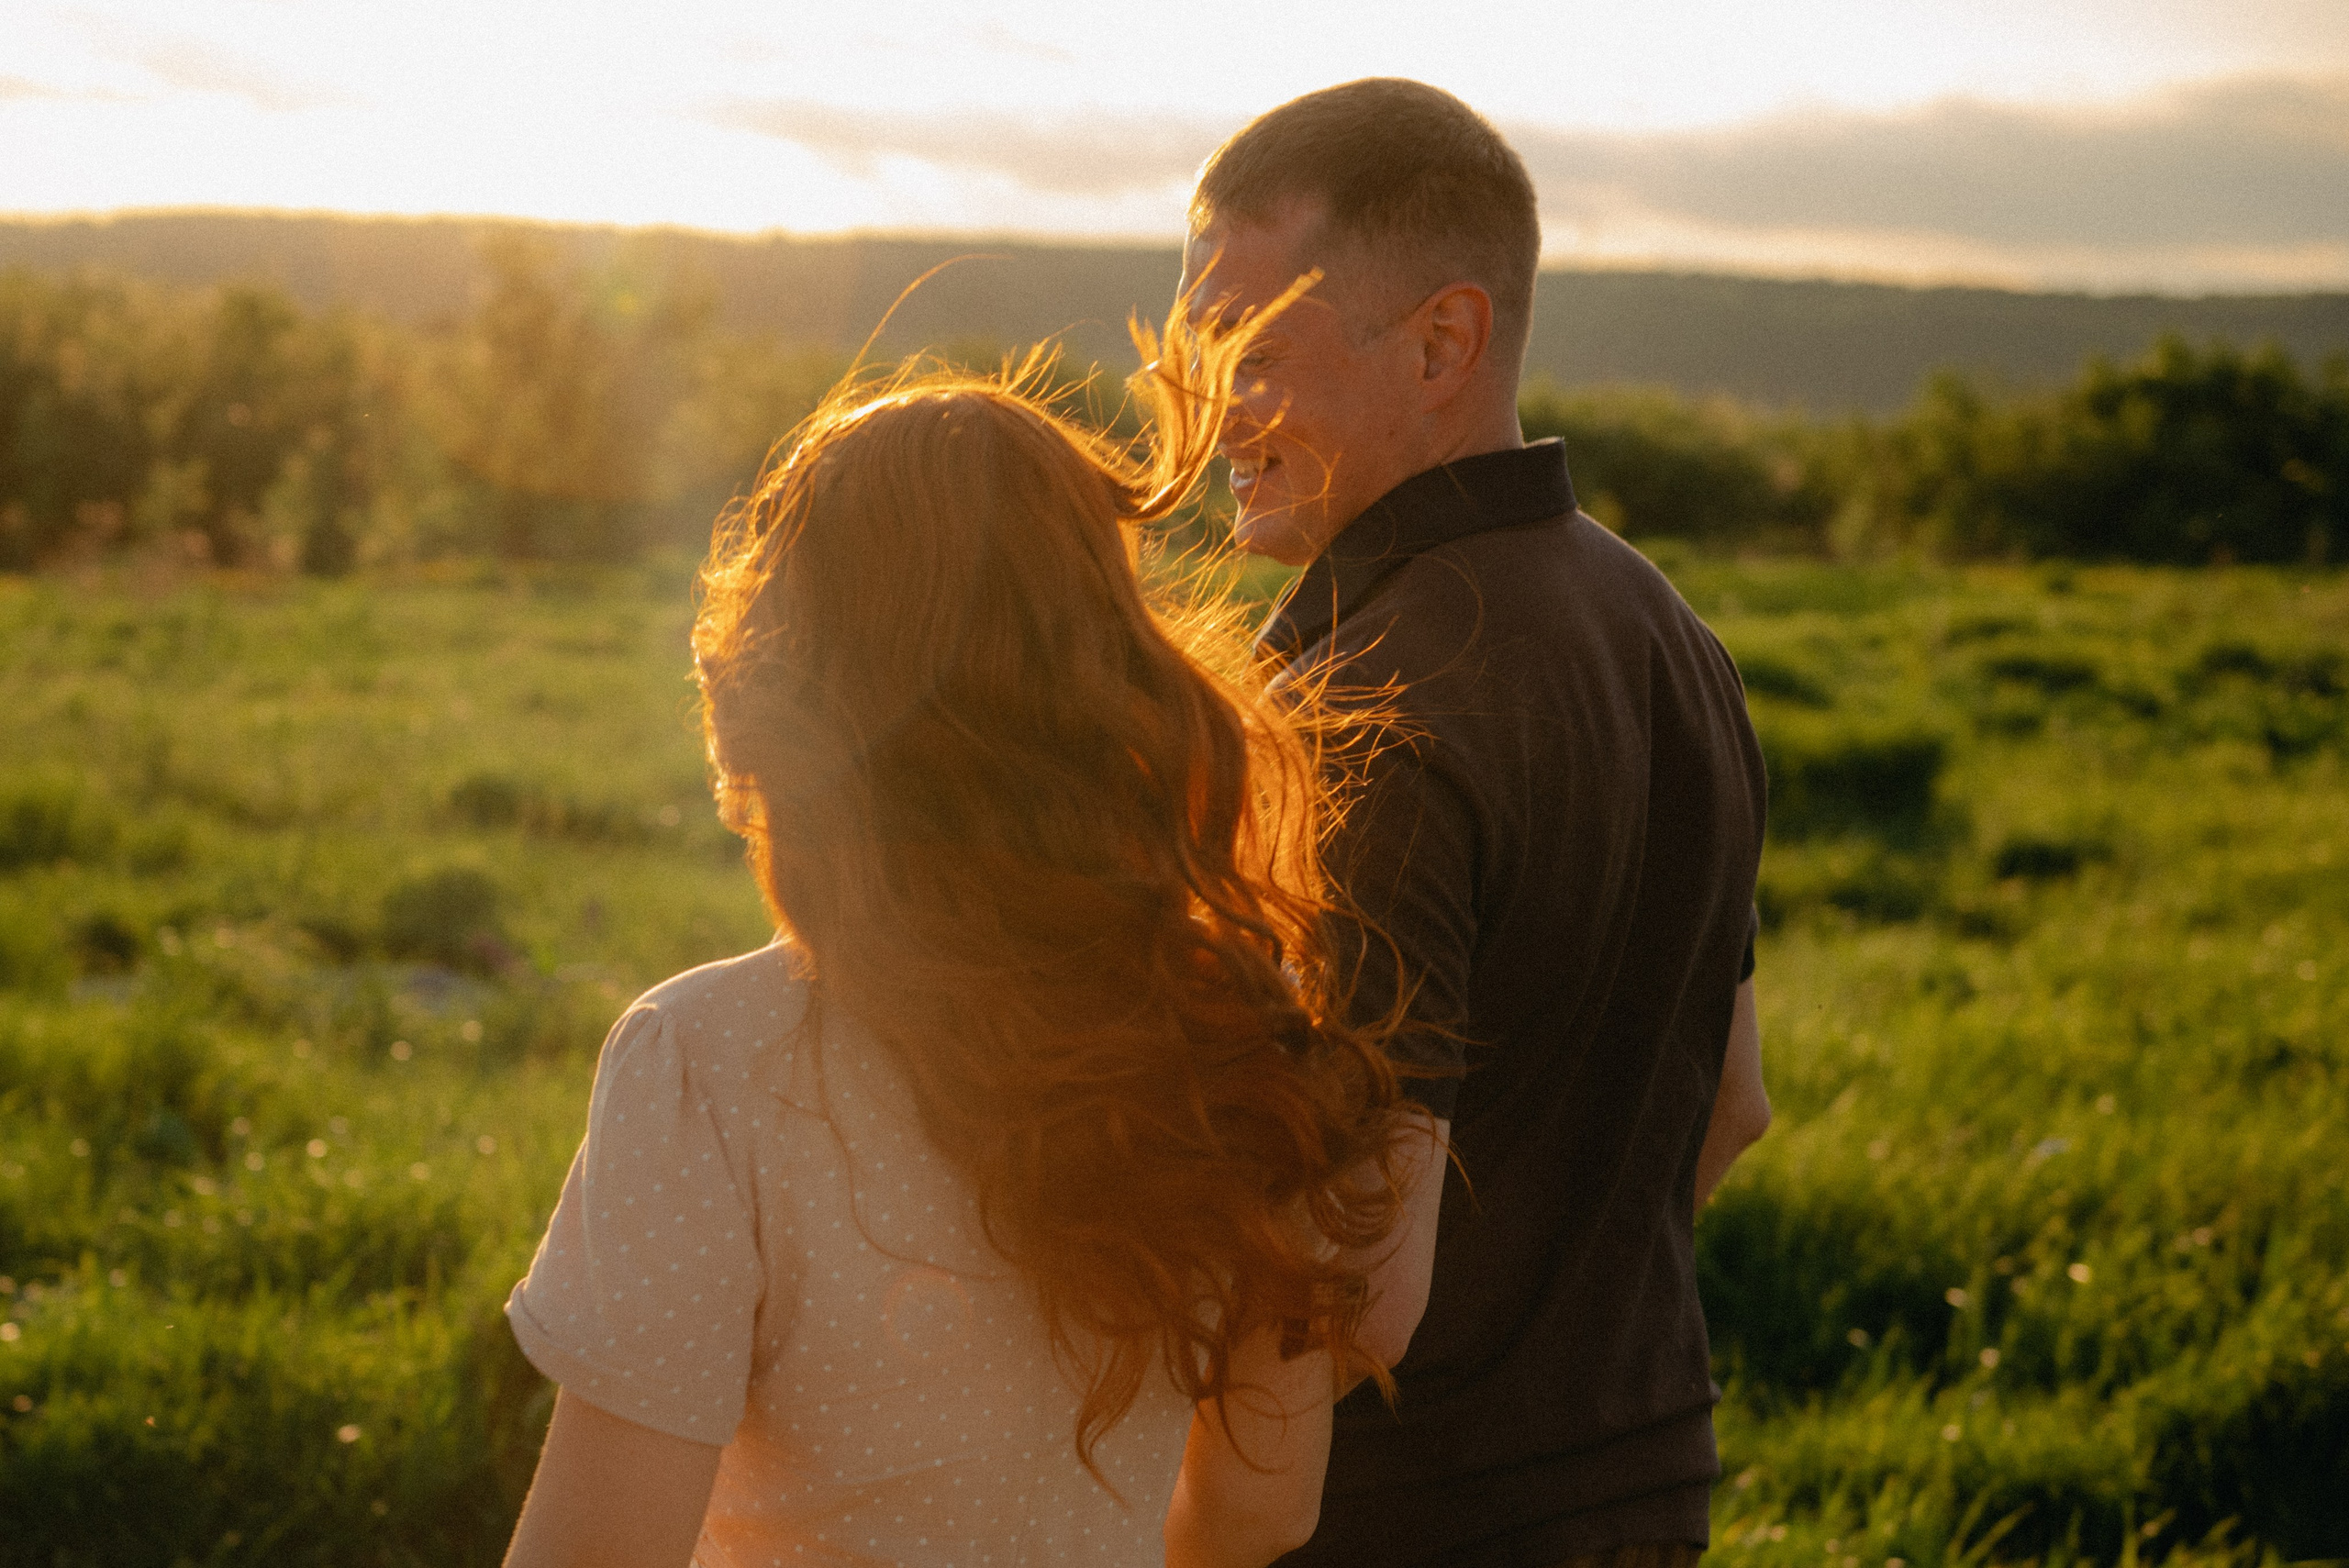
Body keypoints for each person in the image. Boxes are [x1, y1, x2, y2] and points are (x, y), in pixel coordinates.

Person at [496, 315, 1426, 1568]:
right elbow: (1262, 1511)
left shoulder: (707, 1062)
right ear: (1113, 676)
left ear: (784, 692)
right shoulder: (1234, 1020)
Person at [1177, 79, 1773, 1568]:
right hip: (1644, 1483)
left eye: (1250, 352)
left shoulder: (1354, 702)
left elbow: (1360, 1285)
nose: (1207, 410)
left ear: (1444, 339)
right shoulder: (1669, 628)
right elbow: (1735, 1103)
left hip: (1394, 1520)